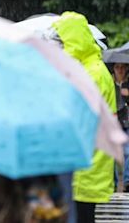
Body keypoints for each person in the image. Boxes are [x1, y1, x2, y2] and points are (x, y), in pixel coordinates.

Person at [52, 12, 117, 223]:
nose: (60, 47)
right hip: (87, 161)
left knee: (81, 217)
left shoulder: (93, 73)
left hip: (85, 163)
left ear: (74, 40)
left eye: (62, 41)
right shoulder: (93, 68)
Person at [110, 62, 129, 191]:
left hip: (127, 121)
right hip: (114, 121)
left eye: (123, 67)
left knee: (127, 152)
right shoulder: (109, 83)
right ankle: (114, 181)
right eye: (117, 67)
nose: (120, 70)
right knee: (113, 152)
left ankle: (127, 180)